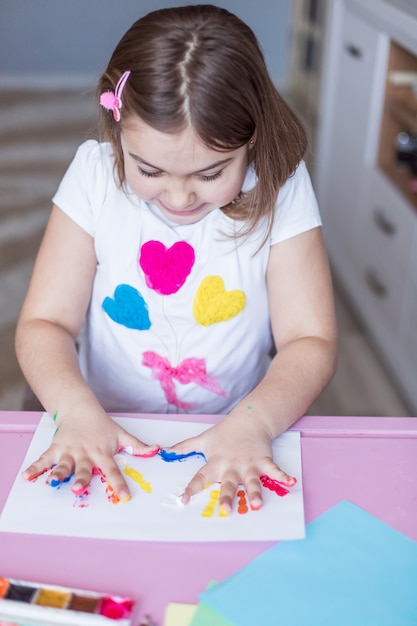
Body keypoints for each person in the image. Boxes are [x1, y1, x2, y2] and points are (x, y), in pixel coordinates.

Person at [16, 4, 337, 514]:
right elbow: (44, 321)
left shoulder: (282, 187)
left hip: (234, 429)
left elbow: (309, 339)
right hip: (98, 416)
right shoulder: (95, 177)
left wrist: (254, 423)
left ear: (252, 135)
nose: (180, 197)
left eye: (210, 175)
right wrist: (74, 409)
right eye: (149, 169)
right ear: (117, 126)